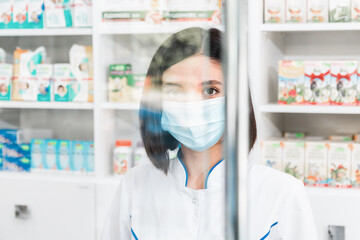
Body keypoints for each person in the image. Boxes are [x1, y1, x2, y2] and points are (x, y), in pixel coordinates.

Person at [103, 27, 318, 240]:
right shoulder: (134, 186)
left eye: (210, 90)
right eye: (174, 90)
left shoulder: (281, 193)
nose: (192, 105)